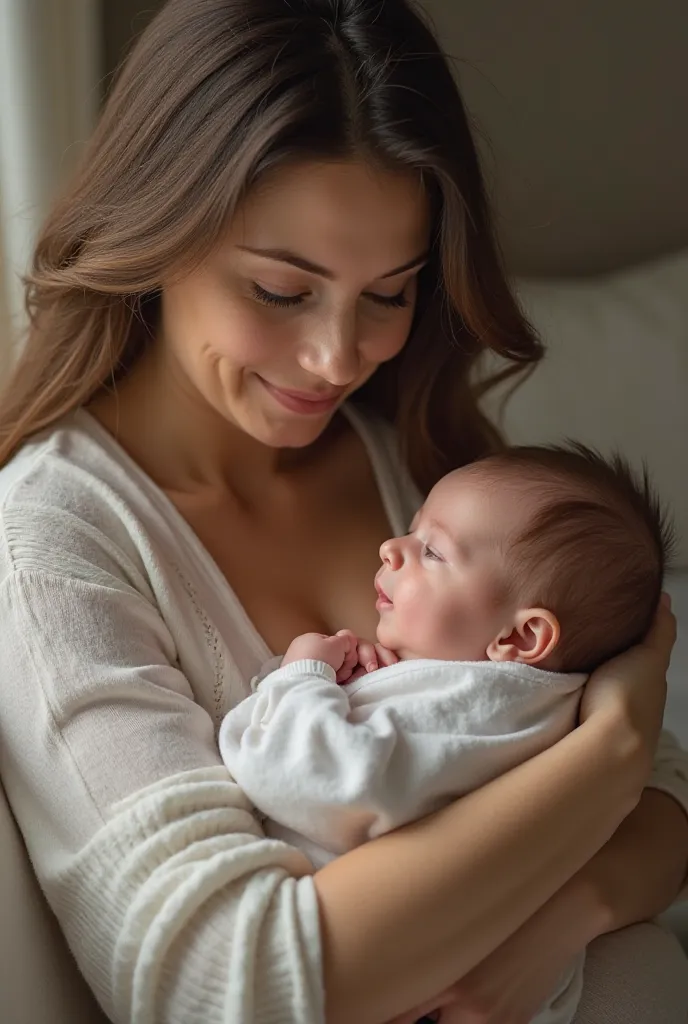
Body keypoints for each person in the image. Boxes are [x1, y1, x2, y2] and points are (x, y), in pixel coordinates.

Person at [0, 2, 686, 1023]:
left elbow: (669, 817)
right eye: (282, 290)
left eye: (390, 294)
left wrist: (558, 921)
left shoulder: (431, 471)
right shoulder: (52, 546)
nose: (336, 358)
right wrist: (608, 749)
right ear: (157, 233)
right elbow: (224, 983)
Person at [218, 443, 673, 1023]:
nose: (392, 548)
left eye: (431, 550)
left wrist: (301, 674)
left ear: (521, 639)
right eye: (411, 530)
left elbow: (313, 778)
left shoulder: (476, 704)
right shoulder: (554, 705)